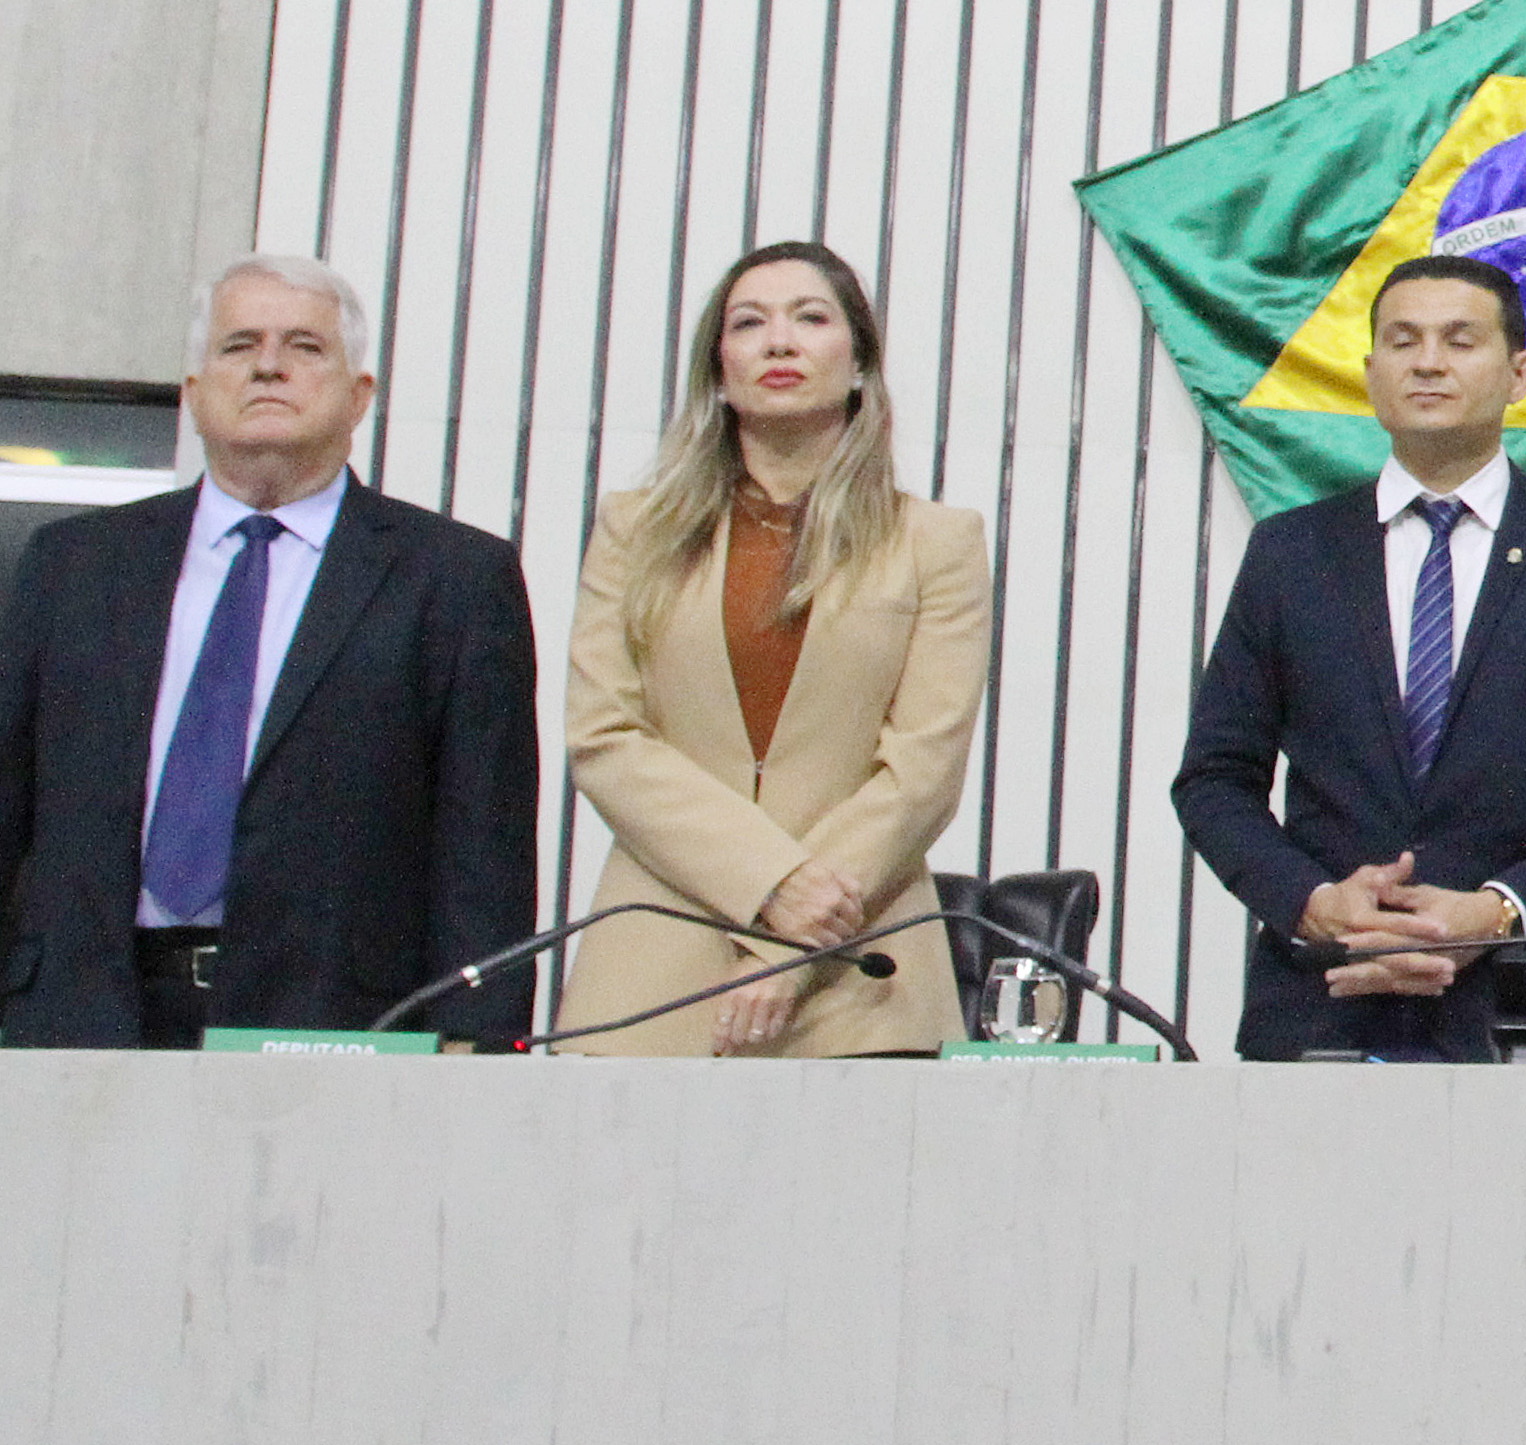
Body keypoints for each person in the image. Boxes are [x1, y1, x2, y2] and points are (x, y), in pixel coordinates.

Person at [0, 256, 537, 1048]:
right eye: (238, 345)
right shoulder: (73, 564)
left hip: (335, 1022)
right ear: (193, 394)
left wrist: (478, 1041)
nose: (268, 366)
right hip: (73, 1010)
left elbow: (483, 846)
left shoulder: (454, 579)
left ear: (360, 397)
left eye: (305, 347)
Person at [1172, 254, 1526, 1060]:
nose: (1428, 361)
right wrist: (1315, 905)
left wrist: (1497, 909)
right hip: (1323, 997)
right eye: (1403, 340)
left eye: (1460, 340)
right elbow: (1213, 779)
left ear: (1520, 372)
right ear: (1370, 372)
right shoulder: (1291, 554)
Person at [551, 241, 990, 1056]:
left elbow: (923, 770)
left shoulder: (938, 542)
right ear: (719, 370)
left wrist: (798, 939)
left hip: (860, 966)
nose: (779, 342)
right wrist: (771, 886)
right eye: (749, 324)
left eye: (811, 318)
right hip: (658, 959)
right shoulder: (632, 530)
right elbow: (603, 737)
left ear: (859, 363)